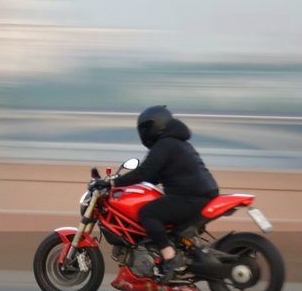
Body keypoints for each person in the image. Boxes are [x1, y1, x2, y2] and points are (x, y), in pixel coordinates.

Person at [93, 105, 220, 280]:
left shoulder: (165, 144)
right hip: (199, 195)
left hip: (191, 197)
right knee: (165, 220)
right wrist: (125, 184)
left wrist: (112, 182)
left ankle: (170, 258)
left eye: (145, 128)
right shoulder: (176, 142)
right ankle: (182, 254)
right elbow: (152, 176)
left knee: (147, 213)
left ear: (155, 126)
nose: (144, 133)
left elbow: (144, 172)